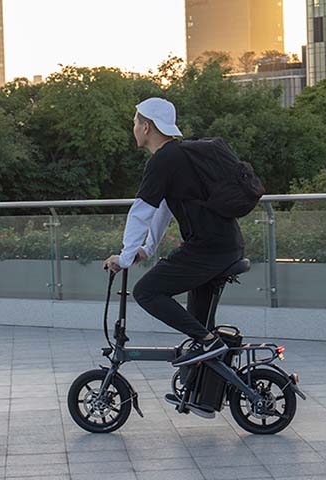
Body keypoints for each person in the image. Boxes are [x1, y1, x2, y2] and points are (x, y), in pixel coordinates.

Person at [102, 97, 245, 371]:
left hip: (208, 250)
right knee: (198, 326)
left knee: (146, 292)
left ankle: (210, 344)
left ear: (146, 127)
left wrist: (125, 257)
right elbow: (164, 207)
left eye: (134, 122)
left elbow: (141, 211)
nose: (133, 128)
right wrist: (147, 248)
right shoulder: (179, 156)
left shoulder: (164, 160)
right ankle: (206, 391)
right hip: (224, 246)